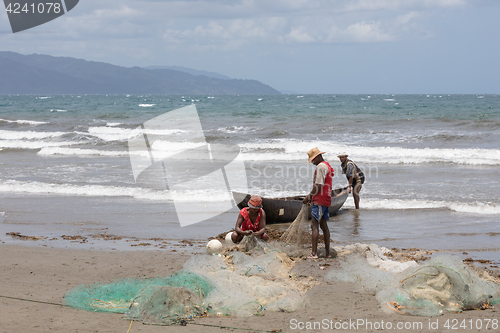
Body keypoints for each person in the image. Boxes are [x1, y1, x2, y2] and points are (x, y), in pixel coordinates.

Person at [302, 147, 334, 259]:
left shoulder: (320, 167)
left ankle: (314, 254)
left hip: (320, 200)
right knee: (324, 225)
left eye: (313, 160)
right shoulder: (327, 165)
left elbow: (318, 185)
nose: (313, 163)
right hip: (326, 199)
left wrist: (309, 196)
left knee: (314, 225)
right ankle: (328, 253)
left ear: (318, 157)